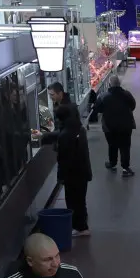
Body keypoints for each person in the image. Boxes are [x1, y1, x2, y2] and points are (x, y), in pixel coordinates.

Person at [46, 87, 92, 237]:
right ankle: (82, 224)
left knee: (73, 201)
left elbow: (64, 159)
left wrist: (61, 177)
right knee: (80, 199)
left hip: (73, 175)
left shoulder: (65, 135)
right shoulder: (78, 129)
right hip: (83, 171)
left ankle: (80, 227)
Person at [97, 74, 136, 176]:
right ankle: (125, 168)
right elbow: (133, 105)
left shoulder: (103, 96)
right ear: (119, 84)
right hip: (126, 125)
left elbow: (98, 109)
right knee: (125, 147)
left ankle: (112, 163)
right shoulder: (127, 94)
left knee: (112, 145)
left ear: (109, 85)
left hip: (109, 127)